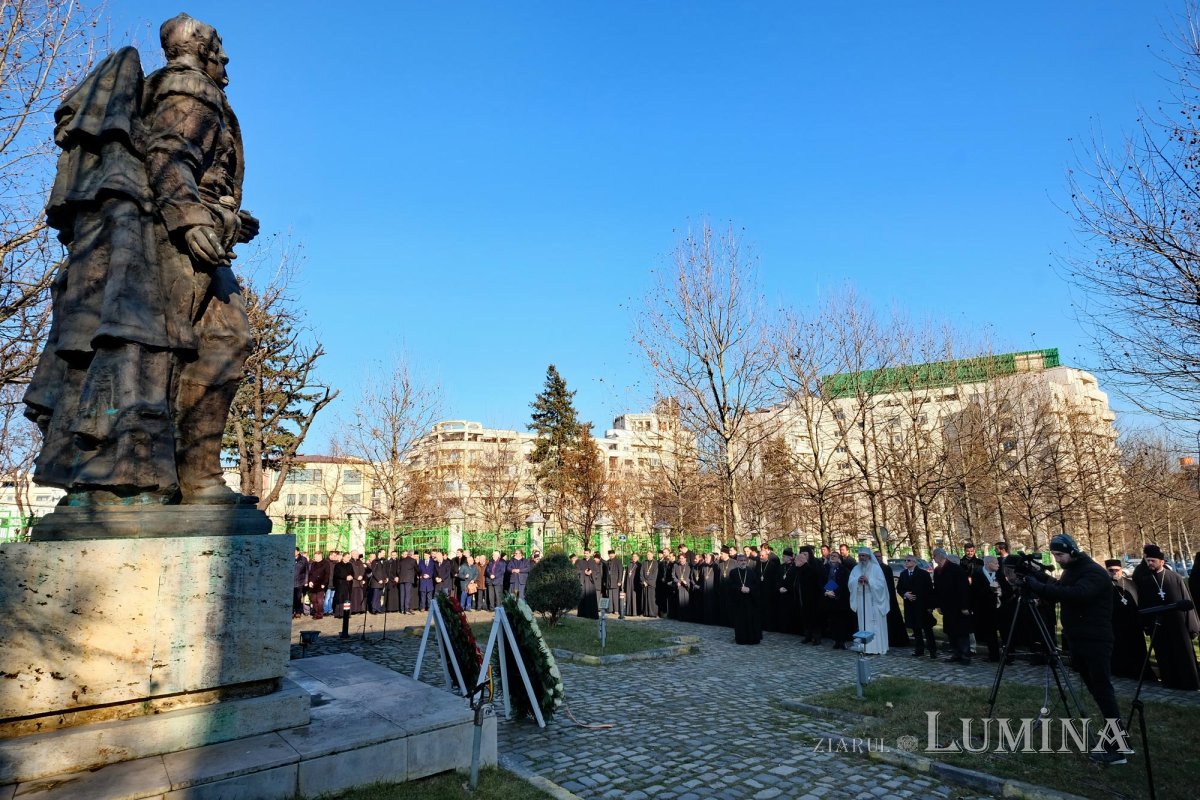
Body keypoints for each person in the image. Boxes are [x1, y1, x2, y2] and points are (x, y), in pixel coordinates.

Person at [24, 14, 260, 506]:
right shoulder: (191, 89)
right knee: (181, 345)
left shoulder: (169, 88)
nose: (226, 58)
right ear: (199, 49)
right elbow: (170, 154)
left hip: (172, 229)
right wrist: (192, 218)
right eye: (219, 45)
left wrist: (226, 217)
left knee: (200, 342)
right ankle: (158, 478)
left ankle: (181, 477)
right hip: (170, 240)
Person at [1017, 534, 1130, 764]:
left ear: (1072, 551)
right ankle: (1117, 739)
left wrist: (1038, 586)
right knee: (1097, 691)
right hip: (1079, 640)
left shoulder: (1093, 572)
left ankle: (1118, 748)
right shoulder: (1073, 569)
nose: (1057, 559)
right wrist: (1039, 576)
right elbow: (1060, 586)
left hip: (1095, 640)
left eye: (1060, 554)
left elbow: (1076, 594)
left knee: (1103, 691)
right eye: (1055, 555)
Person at [1132, 544, 1199, 690]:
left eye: (1153, 561)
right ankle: (1170, 683)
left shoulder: (1175, 577)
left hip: (1178, 624)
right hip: (1159, 625)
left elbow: (1187, 600)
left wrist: (1192, 626)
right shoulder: (1145, 580)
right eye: (1147, 560)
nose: (1149, 563)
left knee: (1183, 654)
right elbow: (1143, 603)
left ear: (1161, 562)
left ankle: (1190, 684)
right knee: (1164, 654)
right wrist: (1146, 624)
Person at [1105, 559, 1149, 680]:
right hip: (1116, 625)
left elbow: (1139, 601)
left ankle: (1140, 673)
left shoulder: (1131, 584)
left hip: (1133, 624)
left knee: (1137, 649)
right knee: (1120, 650)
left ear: (1121, 570)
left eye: (1117, 570)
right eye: (1111, 570)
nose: (1114, 572)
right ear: (1107, 571)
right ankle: (1122, 672)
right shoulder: (1104, 586)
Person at [932, 548, 971, 664]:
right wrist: (938, 604)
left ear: (940, 556)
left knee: (961, 632)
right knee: (951, 631)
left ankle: (965, 655)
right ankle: (956, 653)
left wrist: (964, 606)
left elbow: (963, 589)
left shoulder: (955, 569)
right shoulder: (937, 570)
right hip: (946, 606)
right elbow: (937, 589)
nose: (933, 558)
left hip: (958, 606)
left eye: (934, 556)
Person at [848, 547, 890, 654]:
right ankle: (865, 647)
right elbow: (850, 582)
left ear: (869, 557)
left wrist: (869, 581)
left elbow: (881, 585)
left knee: (874, 624)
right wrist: (857, 581)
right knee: (863, 624)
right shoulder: (856, 568)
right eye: (860, 556)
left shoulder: (876, 568)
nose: (862, 558)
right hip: (861, 600)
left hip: (874, 600)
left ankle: (876, 648)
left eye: (864, 556)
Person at [897, 554, 937, 659]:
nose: (906, 562)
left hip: (922, 606)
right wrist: (905, 594)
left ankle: (932, 650)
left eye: (909, 560)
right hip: (910, 606)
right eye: (905, 560)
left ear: (914, 562)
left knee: (927, 629)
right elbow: (899, 588)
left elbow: (929, 591)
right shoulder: (903, 574)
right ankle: (919, 649)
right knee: (915, 629)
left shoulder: (923, 574)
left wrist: (930, 606)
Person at [969, 556, 1007, 662]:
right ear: (988, 564)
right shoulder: (977, 574)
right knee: (990, 634)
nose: (998, 565)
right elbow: (975, 592)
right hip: (986, 610)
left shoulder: (999, 574)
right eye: (996, 563)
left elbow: (1006, 589)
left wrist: (1000, 592)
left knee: (1005, 632)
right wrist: (990, 589)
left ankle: (1008, 656)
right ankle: (993, 656)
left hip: (1000, 608)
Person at [729, 553, 762, 644]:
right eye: (741, 561)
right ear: (737, 562)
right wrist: (740, 589)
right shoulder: (733, 572)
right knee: (740, 621)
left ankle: (752, 639)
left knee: (751, 620)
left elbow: (756, 585)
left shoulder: (751, 572)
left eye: (744, 560)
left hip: (750, 601)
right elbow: (730, 586)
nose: (743, 562)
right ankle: (741, 639)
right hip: (738, 601)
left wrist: (749, 589)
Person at [306, 551, 329, 621]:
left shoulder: (326, 563)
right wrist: (309, 581)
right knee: (313, 600)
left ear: (320, 556)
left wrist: (324, 584)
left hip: (321, 584)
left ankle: (320, 614)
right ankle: (316, 612)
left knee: (319, 600)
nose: (314, 558)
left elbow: (327, 575)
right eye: (314, 556)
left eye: (316, 556)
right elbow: (310, 574)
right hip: (313, 584)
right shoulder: (313, 564)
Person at [604, 550, 624, 618]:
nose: (611, 555)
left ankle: (616, 610)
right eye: (610, 554)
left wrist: (620, 581)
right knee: (610, 596)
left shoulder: (618, 561)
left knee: (615, 597)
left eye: (612, 554)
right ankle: (610, 609)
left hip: (615, 582)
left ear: (614, 554)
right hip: (609, 582)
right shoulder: (607, 562)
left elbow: (620, 571)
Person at [640, 550, 658, 618]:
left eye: (649, 554)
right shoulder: (644, 562)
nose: (648, 556)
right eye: (647, 554)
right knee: (645, 599)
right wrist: (643, 581)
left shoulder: (655, 563)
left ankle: (652, 613)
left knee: (651, 599)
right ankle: (645, 612)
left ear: (652, 555)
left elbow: (655, 574)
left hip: (651, 584)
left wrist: (647, 582)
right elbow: (641, 573)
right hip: (644, 584)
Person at [292, 548, 309, 619]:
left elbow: (307, 571)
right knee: (291, 598)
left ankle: (298, 612)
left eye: (294, 551)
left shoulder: (303, 559)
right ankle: (292, 612)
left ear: (298, 552)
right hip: (291, 582)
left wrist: (306, 581)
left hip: (300, 581)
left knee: (298, 598)